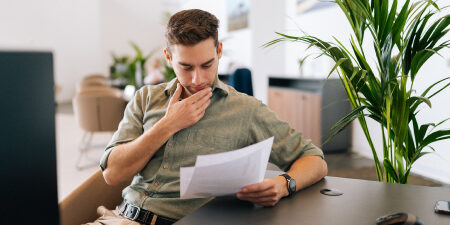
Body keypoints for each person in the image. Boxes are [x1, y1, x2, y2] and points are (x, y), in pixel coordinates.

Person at [89, 9, 327, 225]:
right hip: (122, 218)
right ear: (169, 58)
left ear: (219, 51)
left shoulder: (245, 109)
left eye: (207, 65)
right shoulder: (146, 98)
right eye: (186, 67)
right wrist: (168, 125)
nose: (198, 79)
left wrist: (284, 185)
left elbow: (315, 159)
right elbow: (112, 174)